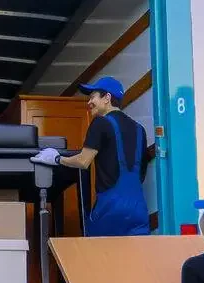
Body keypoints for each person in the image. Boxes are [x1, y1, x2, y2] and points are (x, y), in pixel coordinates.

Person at [29, 76, 155, 237]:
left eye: (92, 97)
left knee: (96, 256)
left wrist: (56, 158)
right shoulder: (140, 130)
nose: (89, 102)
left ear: (107, 98)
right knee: (135, 259)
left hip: (110, 208)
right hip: (138, 209)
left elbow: (83, 161)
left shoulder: (100, 123)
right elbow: (141, 173)